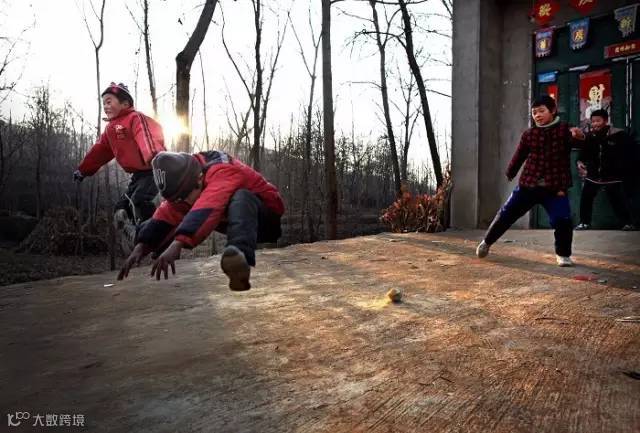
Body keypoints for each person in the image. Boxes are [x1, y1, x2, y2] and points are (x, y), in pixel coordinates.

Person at [117, 150, 285, 291]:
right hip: (229, 216)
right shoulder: (188, 178)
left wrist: (178, 243)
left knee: (240, 197)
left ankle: (239, 262)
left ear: (199, 179)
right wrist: (142, 245)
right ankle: (136, 236)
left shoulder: (222, 170)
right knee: (174, 214)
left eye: (185, 196)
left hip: (266, 218)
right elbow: (168, 213)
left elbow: (208, 206)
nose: (185, 202)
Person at [476, 95, 583, 267]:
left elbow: (579, 143)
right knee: (506, 214)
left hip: (555, 187)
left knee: (562, 220)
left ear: (553, 111)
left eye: (541, 111)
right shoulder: (529, 134)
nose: (537, 115)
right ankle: (486, 242)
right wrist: (510, 172)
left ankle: (563, 255)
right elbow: (520, 155)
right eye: (534, 112)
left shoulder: (564, 130)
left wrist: (580, 137)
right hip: (528, 185)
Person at [73, 82, 165, 225]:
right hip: (138, 175)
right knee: (122, 206)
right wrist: (83, 170)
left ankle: (155, 230)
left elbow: (145, 136)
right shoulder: (110, 129)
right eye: (104, 103)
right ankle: (133, 230)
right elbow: (99, 151)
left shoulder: (134, 118)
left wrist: (154, 157)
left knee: (138, 201)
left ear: (125, 104)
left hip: (153, 169)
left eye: (109, 102)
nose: (105, 106)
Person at [575, 109, 636, 231]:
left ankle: (628, 223)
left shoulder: (619, 135)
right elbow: (584, 153)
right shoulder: (590, 136)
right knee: (586, 197)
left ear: (606, 121)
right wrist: (579, 161)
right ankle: (584, 222)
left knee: (617, 199)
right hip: (593, 175)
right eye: (593, 121)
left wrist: (622, 168)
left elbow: (628, 153)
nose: (595, 124)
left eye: (598, 121)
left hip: (612, 175)